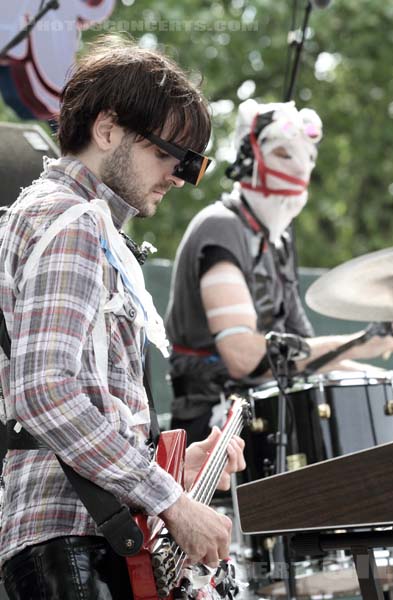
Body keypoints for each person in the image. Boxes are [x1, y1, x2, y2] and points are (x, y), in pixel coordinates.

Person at [0, 36, 245, 600]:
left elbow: (83, 400)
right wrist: (171, 500)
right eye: (170, 154)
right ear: (108, 129)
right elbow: (44, 392)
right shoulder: (71, 219)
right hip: (75, 542)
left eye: (194, 163)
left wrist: (176, 465)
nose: (182, 176)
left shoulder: (63, 216)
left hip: (84, 535)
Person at [165, 98, 393, 445]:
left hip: (270, 413)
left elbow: (306, 356)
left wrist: (384, 378)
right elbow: (243, 358)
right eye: (284, 154)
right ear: (248, 159)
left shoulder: (278, 239)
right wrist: (358, 342)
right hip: (216, 427)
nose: (299, 167)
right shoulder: (221, 228)